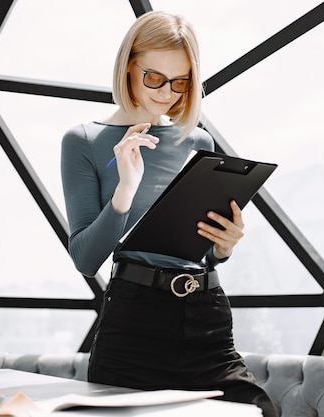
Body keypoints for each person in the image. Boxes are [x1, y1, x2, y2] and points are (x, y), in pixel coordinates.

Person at [60, 10, 277, 417]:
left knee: (258, 411)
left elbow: (199, 247)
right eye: (154, 78)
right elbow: (86, 260)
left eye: (180, 82)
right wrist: (124, 189)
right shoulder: (84, 140)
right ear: (128, 67)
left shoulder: (197, 140)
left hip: (206, 314)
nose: (166, 93)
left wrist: (223, 246)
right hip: (134, 320)